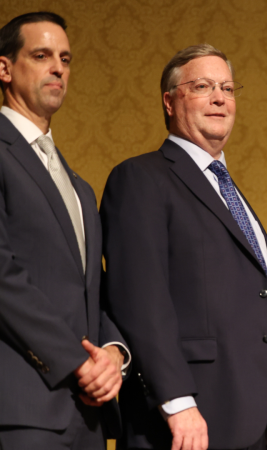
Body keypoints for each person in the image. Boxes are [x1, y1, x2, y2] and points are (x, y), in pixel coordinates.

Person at [100, 44, 267, 450]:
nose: (219, 97)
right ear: (170, 100)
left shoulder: (230, 189)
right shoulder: (141, 178)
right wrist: (177, 401)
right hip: (196, 413)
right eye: (203, 86)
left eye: (227, 87)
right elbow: (139, 301)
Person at [0, 11, 130, 449]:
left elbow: (93, 288)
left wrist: (113, 353)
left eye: (66, 58)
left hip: (88, 413)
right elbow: (2, 277)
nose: (58, 67)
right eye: (41, 55)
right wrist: (77, 361)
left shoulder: (79, 185)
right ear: (4, 68)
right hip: (23, 408)